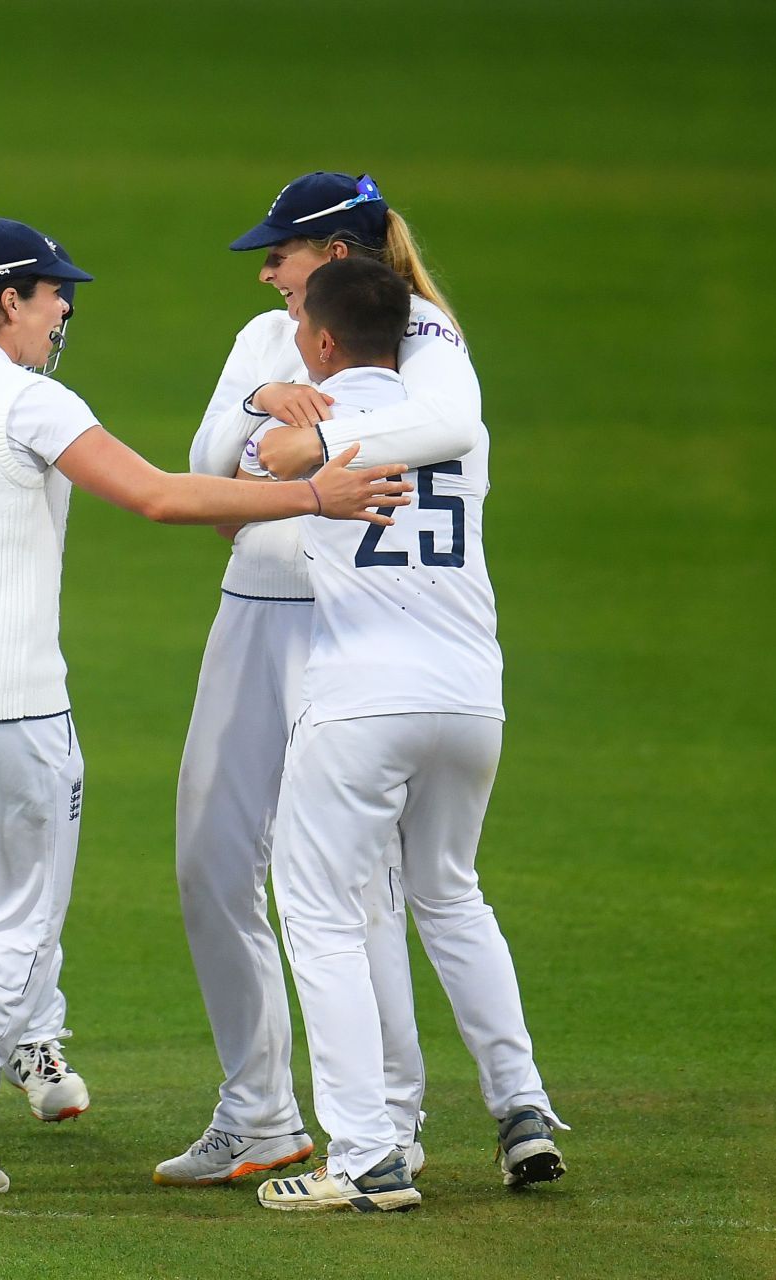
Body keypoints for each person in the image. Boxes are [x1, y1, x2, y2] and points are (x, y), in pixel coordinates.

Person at [0, 217, 411, 1196]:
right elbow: (154, 495)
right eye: (56, 292)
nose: (65, 310)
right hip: (4, 698)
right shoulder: (30, 400)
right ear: (9, 299)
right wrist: (314, 497)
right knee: (14, 923)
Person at [159, 171, 485, 1187]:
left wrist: (307, 444)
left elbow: (446, 431)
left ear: (335, 256)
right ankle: (260, 1112)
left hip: (352, 620)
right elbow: (208, 464)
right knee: (209, 855)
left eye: (281, 251)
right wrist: (263, 405)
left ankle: (387, 1119)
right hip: (253, 606)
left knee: (351, 881)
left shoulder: (422, 328)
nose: (265, 269)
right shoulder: (265, 340)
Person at [251, 257, 565, 1211]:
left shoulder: (310, 436)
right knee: (452, 894)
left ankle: (365, 1155)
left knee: (319, 913)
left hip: (361, 700)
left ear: (324, 342)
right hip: (472, 699)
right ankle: (523, 1111)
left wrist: (274, 404)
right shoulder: (452, 429)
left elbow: (252, 475)